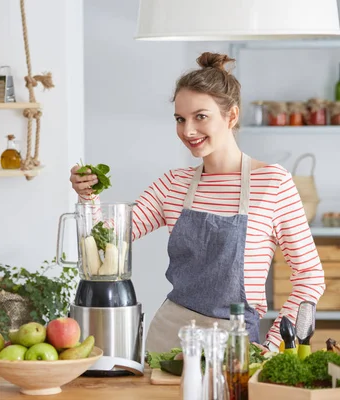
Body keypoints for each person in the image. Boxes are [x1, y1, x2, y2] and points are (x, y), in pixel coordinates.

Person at [69, 52, 325, 353]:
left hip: (236, 346)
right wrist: (88, 196)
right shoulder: (173, 184)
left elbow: (310, 276)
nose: (188, 131)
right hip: (169, 341)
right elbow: (104, 241)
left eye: (200, 116)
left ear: (231, 116)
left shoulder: (272, 182)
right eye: (180, 119)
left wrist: (275, 343)